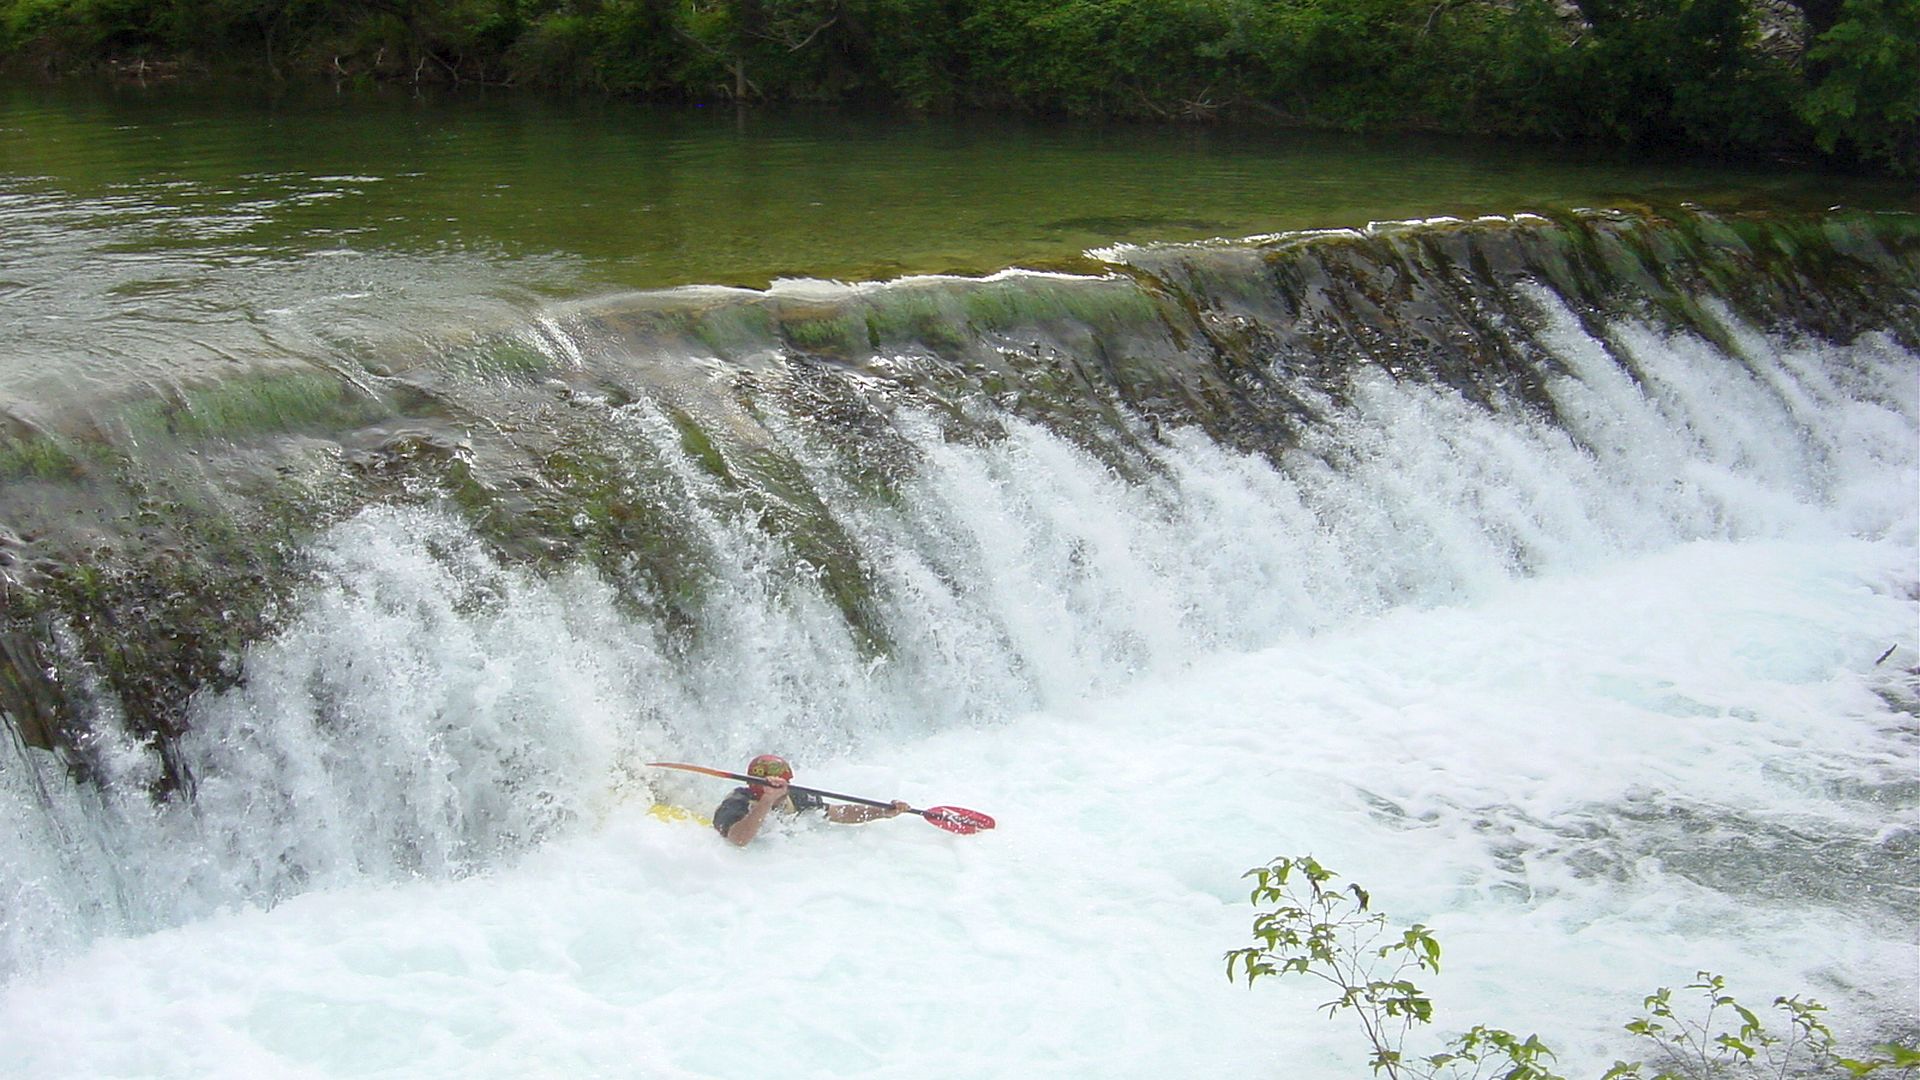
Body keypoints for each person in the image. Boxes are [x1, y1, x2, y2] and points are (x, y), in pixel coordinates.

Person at [713, 754, 912, 847]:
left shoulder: (797, 797)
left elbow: (839, 813)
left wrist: (883, 812)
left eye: (785, 784)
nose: (783, 789)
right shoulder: (736, 802)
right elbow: (739, 840)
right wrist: (766, 801)